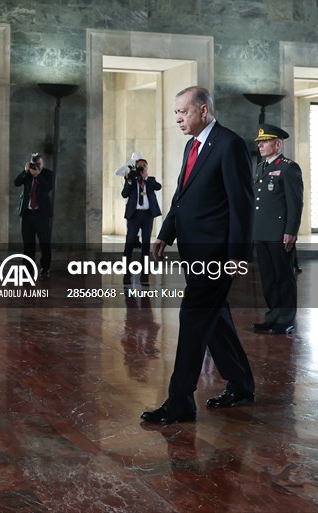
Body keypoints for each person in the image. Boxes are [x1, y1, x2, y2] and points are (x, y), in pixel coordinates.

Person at [143, 86, 255, 425]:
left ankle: (180, 400)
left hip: (217, 255)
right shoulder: (192, 145)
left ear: (203, 110)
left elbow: (242, 206)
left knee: (193, 318)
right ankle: (241, 385)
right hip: (193, 252)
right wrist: (166, 232)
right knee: (215, 320)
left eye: (183, 112)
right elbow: (182, 195)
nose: (178, 118)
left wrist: (239, 255)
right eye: (176, 112)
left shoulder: (230, 144)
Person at [249, 125, 304, 335]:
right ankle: (273, 316)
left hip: (280, 232)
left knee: (284, 276)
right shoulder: (260, 167)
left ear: (278, 144)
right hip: (261, 231)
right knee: (269, 277)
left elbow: (295, 203)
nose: (260, 145)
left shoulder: (289, 167)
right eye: (259, 142)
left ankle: (286, 319)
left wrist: (291, 230)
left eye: (265, 141)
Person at [120, 157, 161, 279]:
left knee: (146, 241)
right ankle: (126, 264)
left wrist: (146, 177)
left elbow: (158, 187)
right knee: (130, 240)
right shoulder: (131, 179)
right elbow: (124, 194)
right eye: (139, 165)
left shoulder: (150, 180)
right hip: (134, 214)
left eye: (144, 165)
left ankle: (145, 265)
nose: (142, 167)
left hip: (148, 215)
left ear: (147, 168)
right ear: (136, 167)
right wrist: (129, 180)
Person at [14, 153, 54, 277]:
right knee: (28, 243)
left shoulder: (48, 174)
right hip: (27, 214)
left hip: (41, 214)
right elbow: (16, 182)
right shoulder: (27, 174)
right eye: (34, 164)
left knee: (44, 243)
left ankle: (45, 268)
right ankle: (28, 269)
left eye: (39, 164)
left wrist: (38, 175)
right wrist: (25, 171)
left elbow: (48, 187)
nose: (36, 166)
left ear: (43, 164)